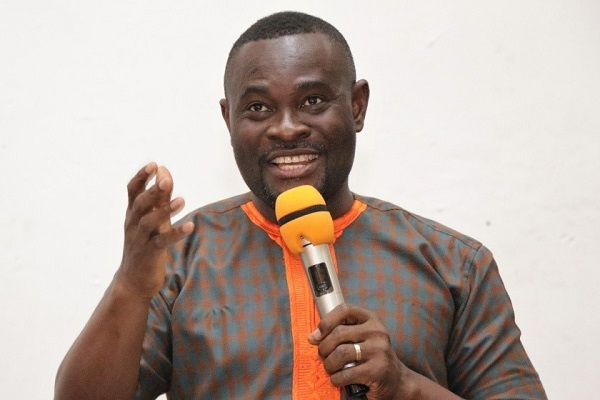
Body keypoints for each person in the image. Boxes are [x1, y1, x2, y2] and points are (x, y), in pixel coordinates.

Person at [55, 11, 546, 400]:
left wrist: (405, 387)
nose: (286, 128)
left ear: (356, 106)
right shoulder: (180, 260)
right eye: (258, 107)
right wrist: (130, 285)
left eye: (312, 101)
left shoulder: (456, 265)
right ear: (228, 119)